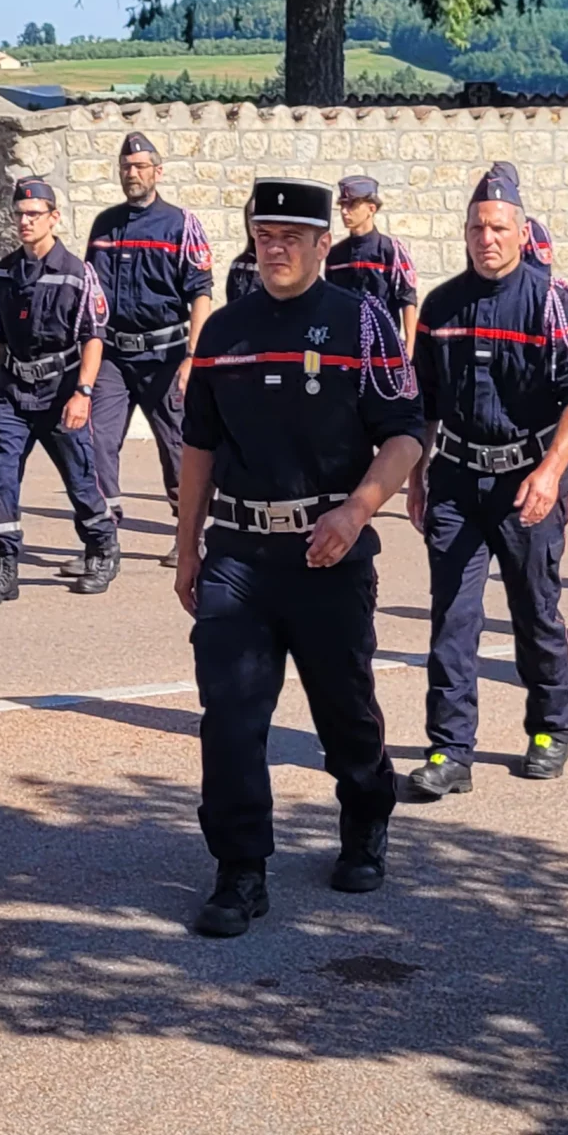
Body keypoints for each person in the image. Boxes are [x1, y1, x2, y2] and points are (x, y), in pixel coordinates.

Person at [174, 178, 424, 938]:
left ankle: (365, 813)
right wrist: (185, 547)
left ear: (323, 245)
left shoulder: (364, 323)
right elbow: (198, 448)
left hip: (329, 554)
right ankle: (240, 870)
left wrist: (358, 508)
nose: (276, 248)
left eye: (292, 236)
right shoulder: (222, 331)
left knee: (342, 708)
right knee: (230, 716)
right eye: (265, 234)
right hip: (240, 553)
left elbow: (406, 435)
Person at [400, 163, 568, 800]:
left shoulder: (553, 300)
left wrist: (551, 472)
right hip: (458, 480)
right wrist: (415, 476)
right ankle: (449, 748)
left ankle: (549, 728)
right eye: (477, 227)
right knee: (452, 619)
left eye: (498, 227)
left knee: (532, 609)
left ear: (521, 231)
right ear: (465, 233)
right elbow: (423, 402)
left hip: (527, 480)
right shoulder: (440, 306)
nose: (487, 238)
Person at [0, 177, 121, 629]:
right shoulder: (3, 272)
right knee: (4, 476)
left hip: (61, 391)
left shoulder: (77, 271)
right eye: (20, 214)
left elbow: (93, 336)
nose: (25, 222)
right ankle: (6, 565)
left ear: (54, 218)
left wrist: (83, 393)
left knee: (80, 475)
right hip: (12, 391)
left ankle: (102, 546)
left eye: (35, 214)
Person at [83, 132, 215, 565]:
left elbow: (200, 292)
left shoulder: (180, 223)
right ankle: (103, 538)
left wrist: (193, 358)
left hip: (167, 355)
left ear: (158, 172)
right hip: (114, 357)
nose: (132, 173)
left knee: (178, 445)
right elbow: (92, 293)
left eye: (140, 166)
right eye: (126, 166)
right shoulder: (105, 225)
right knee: (96, 440)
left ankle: (188, 534)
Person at [327, 175, 420, 352]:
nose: (344, 211)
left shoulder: (391, 251)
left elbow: (407, 298)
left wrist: (409, 348)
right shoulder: (335, 255)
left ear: (371, 209)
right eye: (342, 205)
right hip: (344, 347)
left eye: (352, 205)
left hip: (383, 347)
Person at [224, 199, 262, 304]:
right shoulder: (239, 264)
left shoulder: (279, 263)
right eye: (251, 215)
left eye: (259, 215)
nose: (254, 223)